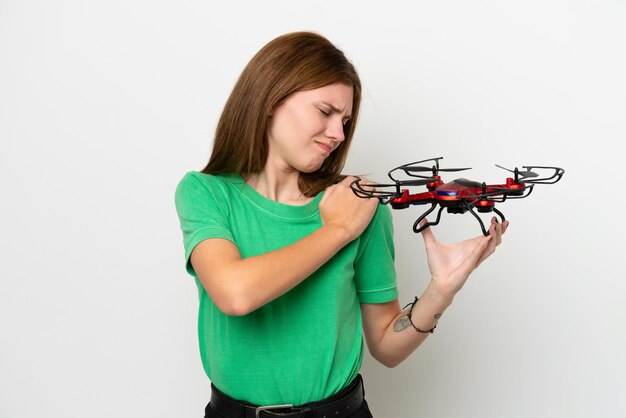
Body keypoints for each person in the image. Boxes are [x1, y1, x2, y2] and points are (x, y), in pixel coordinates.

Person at [175, 31, 508, 418]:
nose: (338, 134)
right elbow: (235, 294)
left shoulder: (359, 206)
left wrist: (442, 290)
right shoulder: (206, 193)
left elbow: (386, 346)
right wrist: (337, 231)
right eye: (325, 112)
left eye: (346, 120)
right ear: (270, 100)